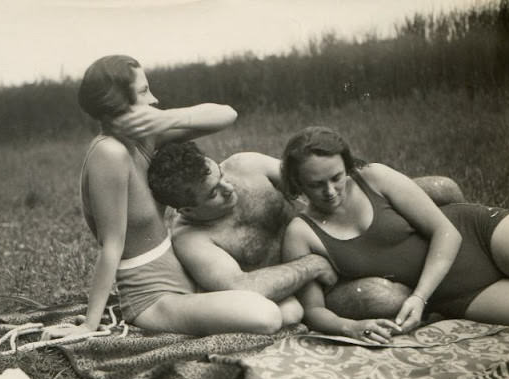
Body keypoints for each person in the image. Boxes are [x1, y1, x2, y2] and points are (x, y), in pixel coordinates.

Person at [55, 54, 336, 338]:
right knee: (269, 315)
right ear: (117, 102)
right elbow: (111, 245)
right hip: (154, 298)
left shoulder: (145, 137)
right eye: (143, 92)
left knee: (292, 311)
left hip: (185, 279)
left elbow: (227, 114)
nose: (153, 99)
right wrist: (90, 325)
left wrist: (167, 118)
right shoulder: (109, 153)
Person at [146, 141, 466, 328]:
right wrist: (311, 266)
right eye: (213, 193)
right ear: (185, 209)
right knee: (384, 297)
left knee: (443, 187)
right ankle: (443, 293)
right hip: (317, 286)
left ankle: (465, 247)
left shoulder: (246, 165)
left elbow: (313, 178)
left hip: (335, 224)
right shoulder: (192, 240)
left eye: (219, 173)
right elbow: (241, 288)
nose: (228, 187)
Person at [279, 126, 509, 344]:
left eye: (336, 178)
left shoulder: (374, 178)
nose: (330, 191)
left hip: (481, 236)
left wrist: (420, 297)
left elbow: (446, 230)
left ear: (347, 166)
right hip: (458, 295)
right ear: (297, 183)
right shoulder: (300, 234)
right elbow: (313, 311)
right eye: (316, 184)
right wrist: (351, 327)